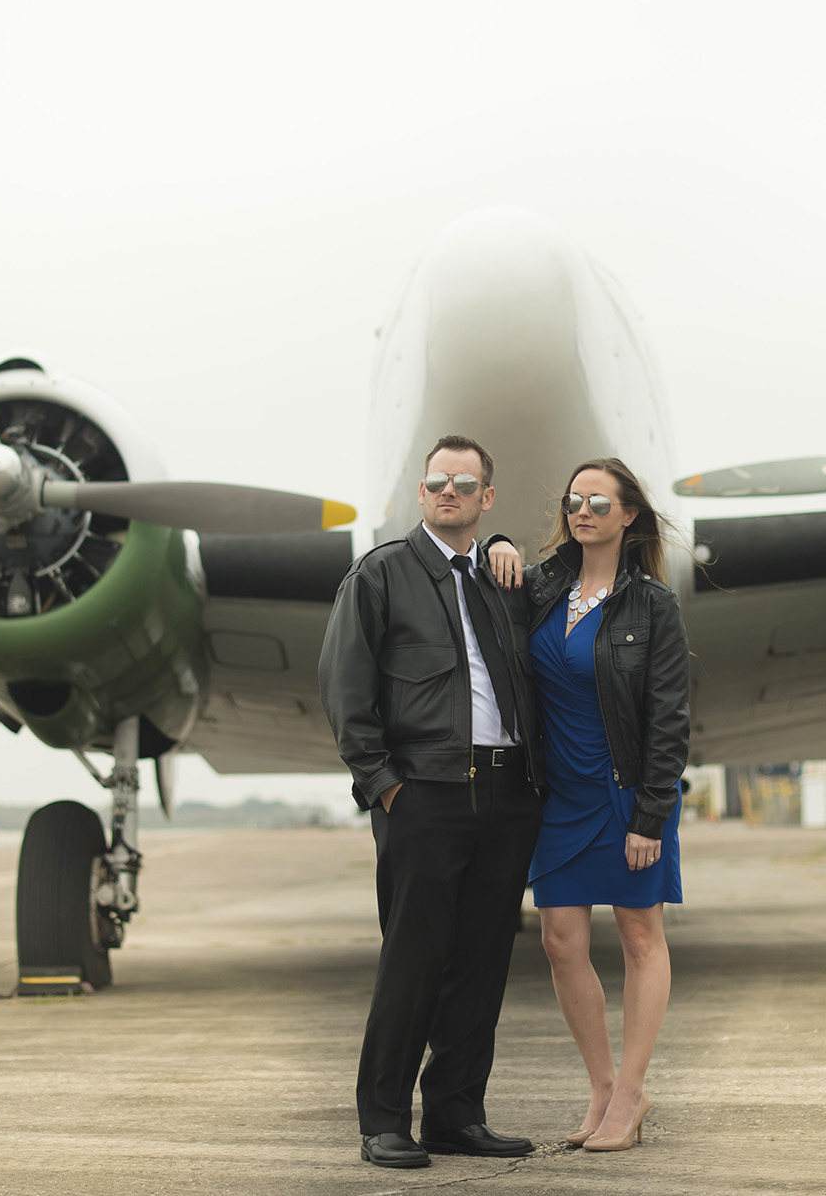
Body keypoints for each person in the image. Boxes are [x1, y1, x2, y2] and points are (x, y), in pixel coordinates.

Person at [318, 435, 544, 1170]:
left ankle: (455, 1113)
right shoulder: (380, 575)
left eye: (465, 484)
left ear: (486, 498)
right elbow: (345, 687)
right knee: (413, 958)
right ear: (421, 493)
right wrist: (383, 785)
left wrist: (506, 545)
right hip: (424, 793)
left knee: (481, 960)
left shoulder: (507, 581)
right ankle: (384, 1118)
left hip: (507, 793)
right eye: (438, 481)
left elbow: (589, 574)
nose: (449, 491)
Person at [486, 456, 689, 1152]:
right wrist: (495, 543)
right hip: (561, 796)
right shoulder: (545, 586)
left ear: (629, 515)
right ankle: (601, 1085)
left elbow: (670, 718)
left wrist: (651, 814)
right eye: (575, 501)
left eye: (599, 503)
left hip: (627, 790)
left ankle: (631, 1093)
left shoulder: (653, 604)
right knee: (560, 940)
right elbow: (489, 575)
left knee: (639, 937)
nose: (583, 512)